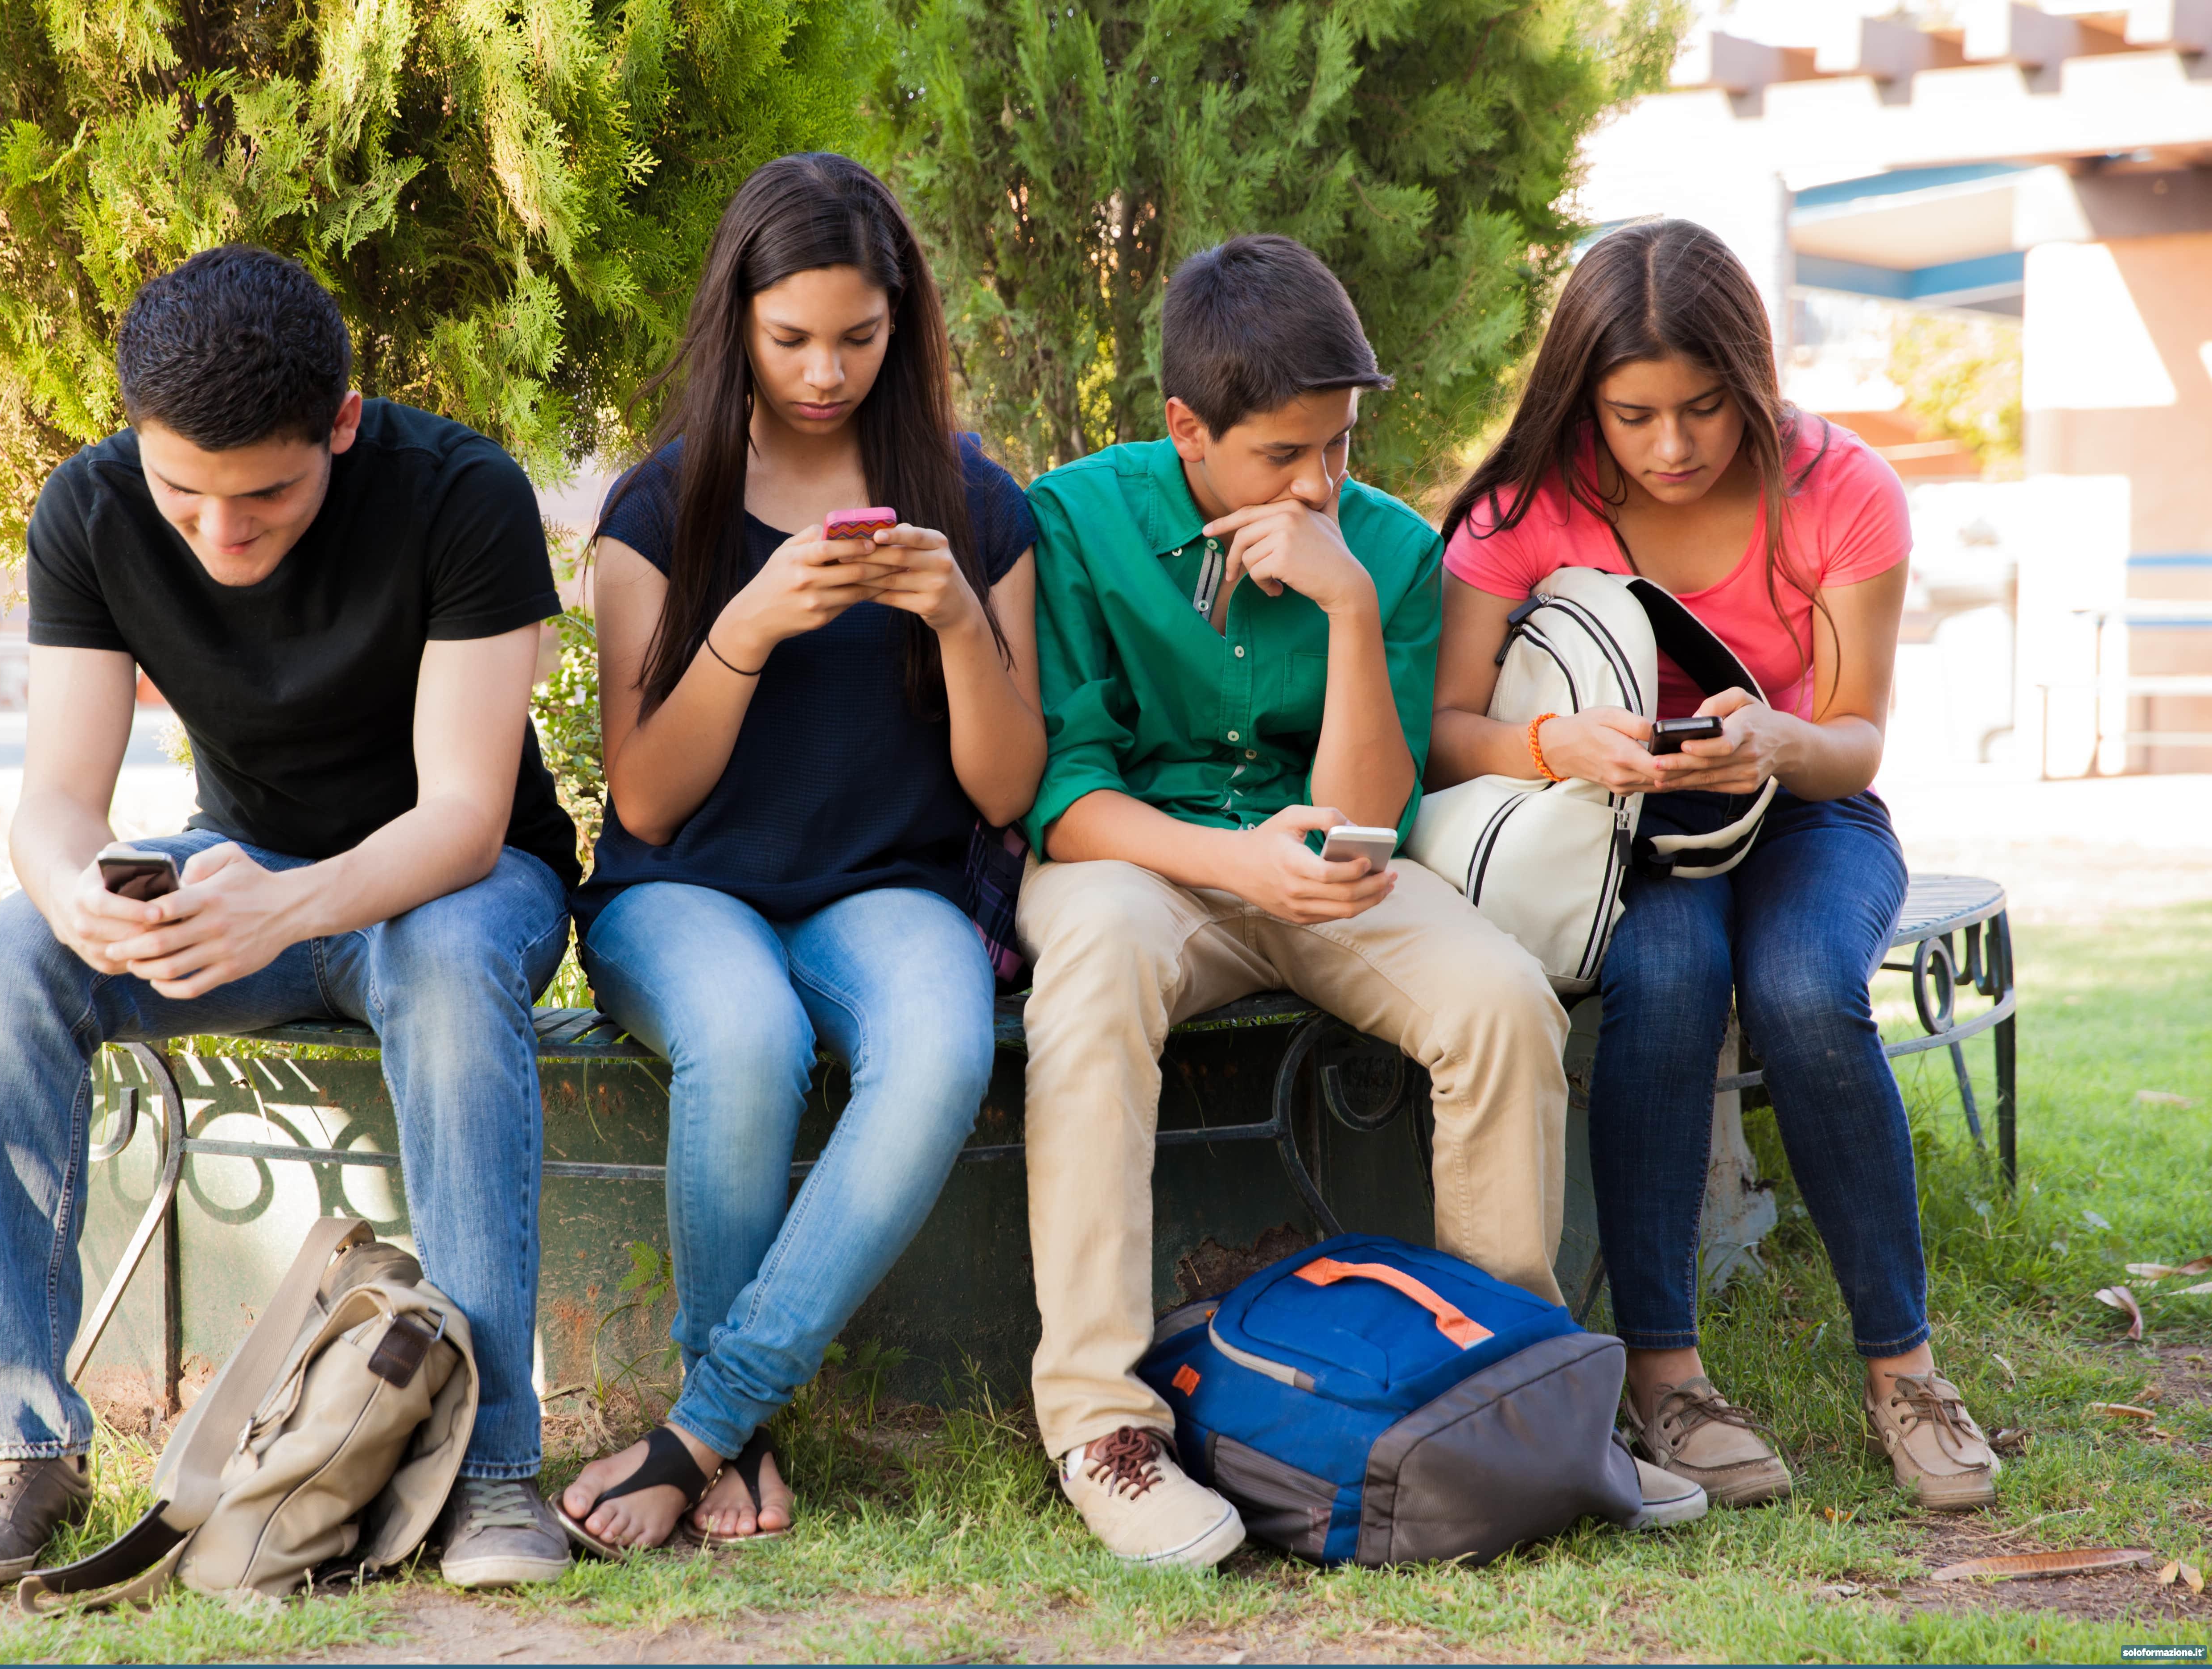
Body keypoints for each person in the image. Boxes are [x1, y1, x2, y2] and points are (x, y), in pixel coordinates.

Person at [0, 246, 585, 1592]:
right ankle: (11, 1448)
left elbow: (463, 813)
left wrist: (289, 907)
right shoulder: (91, 512)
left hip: (457, 887)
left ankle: (494, 1472)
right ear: (135, 444)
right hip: (243, 877)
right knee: (7, 952)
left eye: (266, 493)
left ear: (341, 422)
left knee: (447, 965)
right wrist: (80, 892)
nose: (223, 533)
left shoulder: (464, 495)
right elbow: (54, 803)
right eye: (184, 493)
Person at [1017, 234, 1704, 1569]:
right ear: (1185, 429)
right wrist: (1230, 864)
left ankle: (1515, 1399)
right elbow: (1066, 798)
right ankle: (1106, 1430)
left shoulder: (1382, 549)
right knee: (1093, 970)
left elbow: (1367, 811)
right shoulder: (1078, 519)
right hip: (1141, 868)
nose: (1322, 481)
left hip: (1338, 871)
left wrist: (1339, 609)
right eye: (1283, 455)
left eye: (1338, 445)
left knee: (1503, 1000)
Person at [1429, 219, 2000, 1512]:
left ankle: (1904, 1372)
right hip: (1616, 831)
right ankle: (1665, 1378)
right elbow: (1448, 739)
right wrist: (1554, 742)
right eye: (1634, 415)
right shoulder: (1525, 506)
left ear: (1750, 382)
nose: (1673, 447)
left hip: (1803, 812)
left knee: (1806, 989)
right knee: (1673, 979)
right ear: (1587, 400)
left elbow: (1855, 745)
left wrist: (1777, 741)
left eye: (1704, 409)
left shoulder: (1843, 489)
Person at [552, 152, 1044, 1553]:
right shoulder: (664, 509)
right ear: (739, 326)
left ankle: (704, 1429)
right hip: (683, 892)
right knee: (750, 1039)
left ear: (903, 327)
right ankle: (737, 1427)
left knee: (943, 1048)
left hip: (891, 888)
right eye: (791, 340)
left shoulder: (975, 499)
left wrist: (959, 622)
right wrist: (750, 626)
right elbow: (648, 800)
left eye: (858, 339)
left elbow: (1007, 783)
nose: (824, 372)